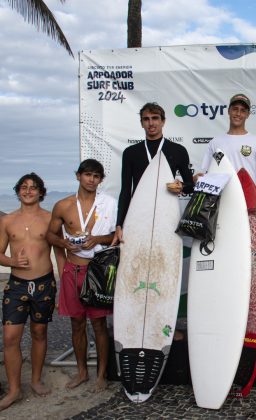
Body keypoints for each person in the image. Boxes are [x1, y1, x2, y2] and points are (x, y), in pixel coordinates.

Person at [46, 159, 117, 391]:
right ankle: (82, 372)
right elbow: (50, 235)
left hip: (96, 270)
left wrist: (98, 239)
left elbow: (117, 236)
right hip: (72, 269)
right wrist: (63, 242)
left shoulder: (109, 204)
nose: (91, 180)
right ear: (78, 176)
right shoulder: (63, 205)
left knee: (98, 324)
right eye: (87, 175)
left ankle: (101, 375)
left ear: (101, 180)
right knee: (76, 324)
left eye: (96, 176)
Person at [0, 173, 62, 410]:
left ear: (41, 192)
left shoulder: (49, 219)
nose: (28, 191)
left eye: (33, 188)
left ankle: (35, 380)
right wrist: (11, 261)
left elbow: (59, 252)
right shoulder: (7, 221)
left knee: (39, 333)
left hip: (45, 284)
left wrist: (64, 283)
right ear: (18, 191)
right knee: (10, 337)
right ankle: (14, 390)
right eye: (24, 187)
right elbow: (0, 253)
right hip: (17, 285)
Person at [113, 102, 194, 244]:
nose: (151, 123)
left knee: (166, 257)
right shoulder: (130, 153)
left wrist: (181, 186)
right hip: (138, 212)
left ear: (163, 121)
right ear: (141, 123)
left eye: (155, 118)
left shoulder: (178, 150)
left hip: (167, 212)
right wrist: (119, 224)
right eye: (146, 119)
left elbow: (191, 185)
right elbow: (125, 190)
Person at [199, 93, 256, 190]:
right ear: (229, 111)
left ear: (248, 114)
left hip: (250, 200)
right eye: (235, 109)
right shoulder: (215, 142)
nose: (238, 114)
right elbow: (208, 174)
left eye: (243, 111)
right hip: (223, 199)